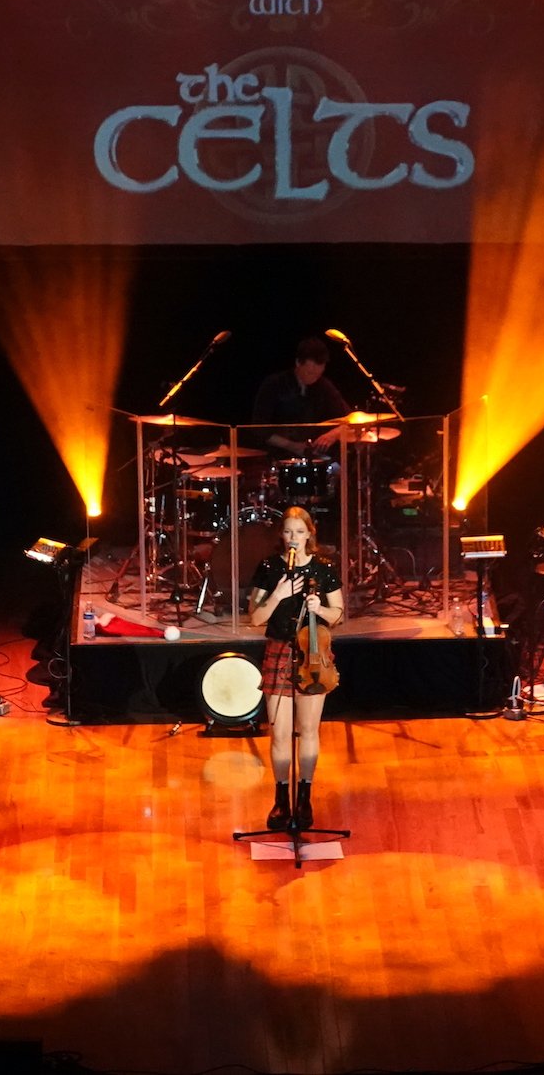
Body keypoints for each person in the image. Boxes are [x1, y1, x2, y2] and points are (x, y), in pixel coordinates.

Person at [246, 506, 344, 831]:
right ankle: (280, 799)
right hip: (279, 650)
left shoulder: (324, 569)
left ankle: (305, 796)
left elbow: (339, 614)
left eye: (299, 532)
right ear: (282, 535)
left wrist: (322, 610)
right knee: (280, 735)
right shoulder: (269, 568)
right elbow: (256, 618)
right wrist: (278, 595)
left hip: (313, 653)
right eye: (288, 532)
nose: (293, 539)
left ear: (309, 535)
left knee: (309, 731)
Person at [251, 336, 351, 455]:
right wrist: (291, 446)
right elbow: (259, 427)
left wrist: (332, 435)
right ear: (298, 362)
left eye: (318, 374)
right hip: (278, 455)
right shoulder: (274, 383)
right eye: (310, 373)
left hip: (314, 455)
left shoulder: (324, 385)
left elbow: (350, 419)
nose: (314, 378)